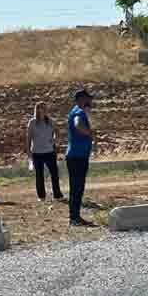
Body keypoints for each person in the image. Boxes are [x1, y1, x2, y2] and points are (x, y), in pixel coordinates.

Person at [66, 89, 95, 226]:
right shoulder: (79, 112)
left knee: (77, 187)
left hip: (77, 155)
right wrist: (89, 133)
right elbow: (78, 125)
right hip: (77, 156)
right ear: (81, 99)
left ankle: (75, 216)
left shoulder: (77, 111)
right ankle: (74, 217)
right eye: (88, 99)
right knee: (77, 187)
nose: (90, 101)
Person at [28, 102, 62, 201]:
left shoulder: (50, 121)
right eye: (40, 108)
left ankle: (57, 195)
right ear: (37, 110)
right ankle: (41, 196)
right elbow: (29, 137)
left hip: (49, 151)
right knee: (39, 175)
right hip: (36, 152)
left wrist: (55, 140)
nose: (42, 110)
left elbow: (57, 131)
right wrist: (28, 150)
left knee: (54, 174)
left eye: (44, 108)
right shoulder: (32, 122)